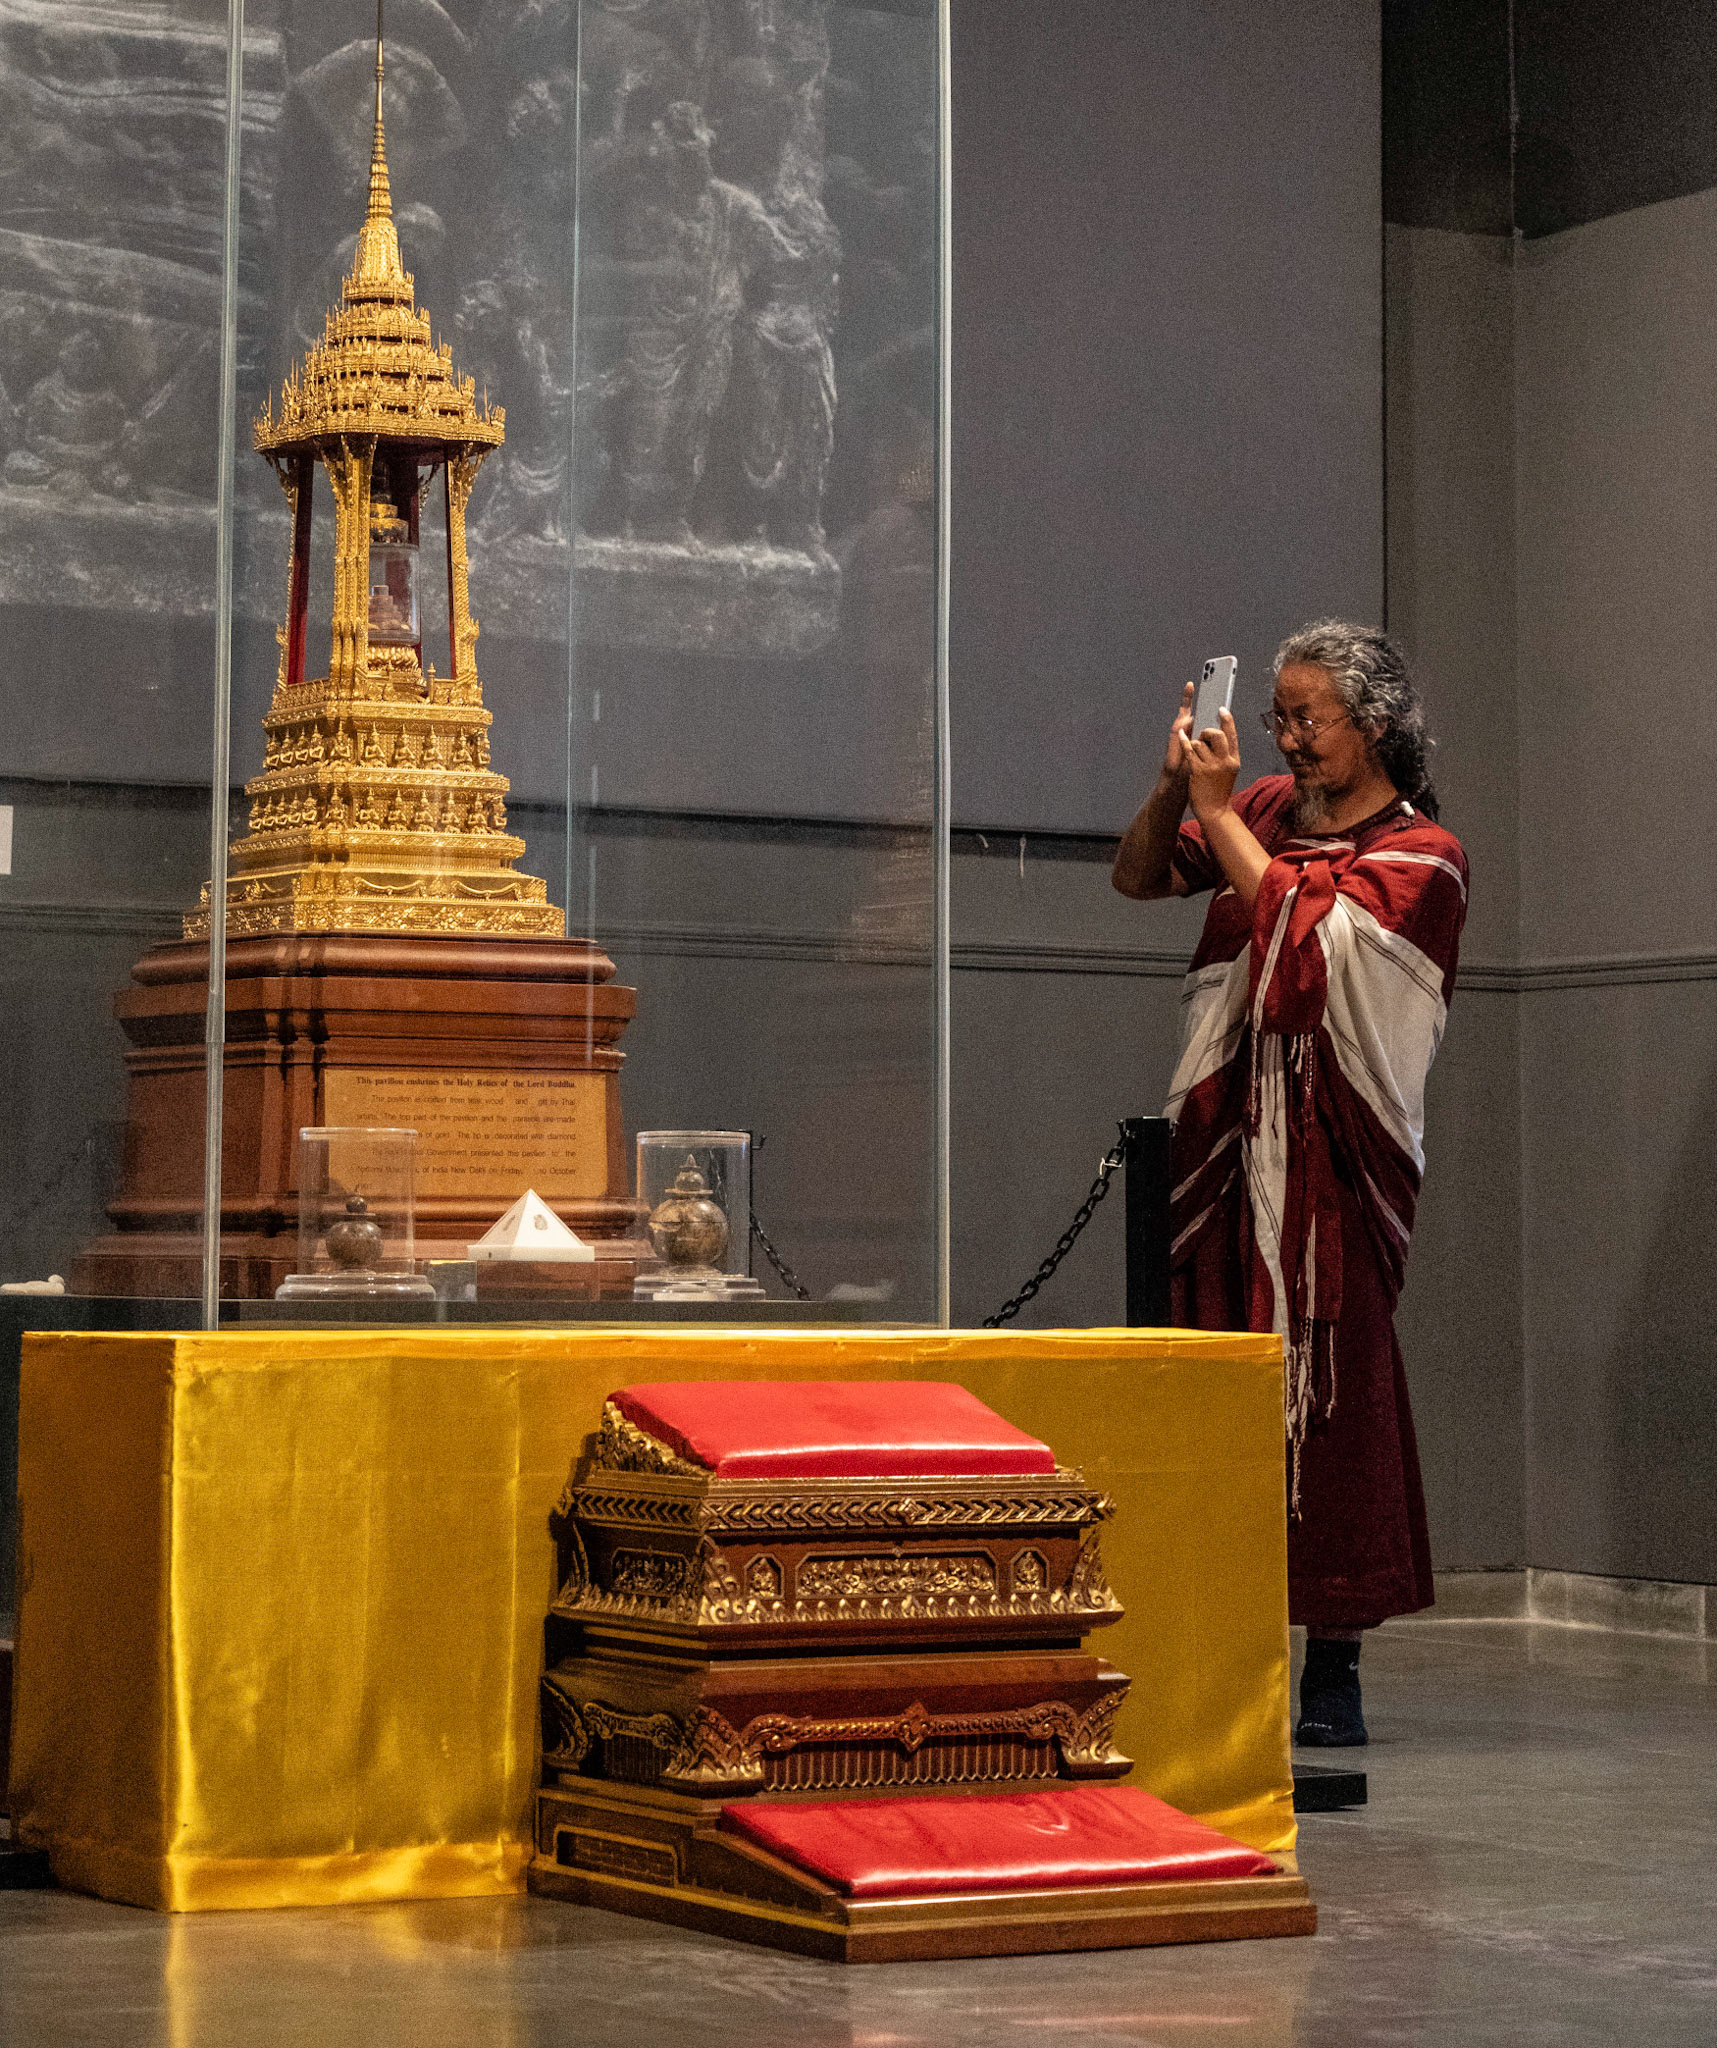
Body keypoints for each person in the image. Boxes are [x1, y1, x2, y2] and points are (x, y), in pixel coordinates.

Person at [1112, 620, 1468, 1746]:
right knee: (1208, 1386)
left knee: (1331, 1398)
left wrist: (1220, 815)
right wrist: (1175, 789)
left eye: (1307, 718)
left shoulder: (1424, 856)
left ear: (1374, 724)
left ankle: (1334, 1662)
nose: (1286, 739)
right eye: (1277, 716)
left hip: (1334, 1164)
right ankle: (1215, 1643)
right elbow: (1136, 876)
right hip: (1222, 1141)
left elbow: (1312, 963)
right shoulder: (1261, 809)